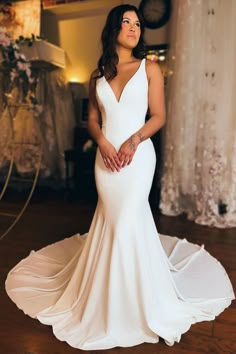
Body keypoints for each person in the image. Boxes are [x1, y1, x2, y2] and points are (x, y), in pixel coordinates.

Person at [5, 4, 235, 351]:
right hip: (105, 158)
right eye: (126, 22)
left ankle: (138, 302)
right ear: (113, 29)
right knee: (114, 220)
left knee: (128, 217)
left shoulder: (149, 68)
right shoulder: (96, 75)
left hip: (138, 156)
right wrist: (102, 143)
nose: (133, 28)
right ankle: (105, 296)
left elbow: (158, 116)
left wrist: (132, 141)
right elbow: (94, 119)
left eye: (137, 24)